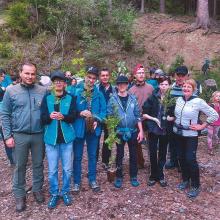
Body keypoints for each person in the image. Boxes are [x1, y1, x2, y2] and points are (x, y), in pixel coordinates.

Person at [1, 62, 46, 212]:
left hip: (39, 135)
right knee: (20, 166)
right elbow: (5, 114)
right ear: (20, 73)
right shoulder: (11, 91)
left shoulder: (42, 90)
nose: (30, 76)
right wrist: (7, 136)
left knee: (38, 164)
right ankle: (20, 195)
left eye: (33, 73)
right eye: (27, 73)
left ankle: (37, 189)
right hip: (19, 134)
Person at [173, 79, 218, 198]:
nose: (186, 88)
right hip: (178, 134)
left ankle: (195, 185)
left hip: (191, 135)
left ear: (194, 89)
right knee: (181, 158)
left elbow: (214, 115)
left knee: (190, 159)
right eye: (184, 86)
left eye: (189, 87)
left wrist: (203, 125)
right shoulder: (179, 99)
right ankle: (185, 180)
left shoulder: (198, 101)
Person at [41, 70, 76, 209]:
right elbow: (42, 119)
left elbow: (73, 116)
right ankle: (54, 193)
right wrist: (49, 117)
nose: (58, 83)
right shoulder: (47, 98)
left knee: (67, 169)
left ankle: (65, 191)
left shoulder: (70, 98)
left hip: (67, 139)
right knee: (52, 171)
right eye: (56, 81)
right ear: (53, 84)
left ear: (64, 83)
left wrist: (64, 117)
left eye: (61, 81)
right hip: (51, 140)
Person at [73, 66, 106, 193]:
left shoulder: (99, 94)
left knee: (92, 155)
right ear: (85, 76)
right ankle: (76, 181)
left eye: (94, 78)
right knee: (77, 156)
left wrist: (97, 120)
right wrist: (80, 112)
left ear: (96, 79)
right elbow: (71, 110)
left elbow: (103, 111)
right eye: (89, 77)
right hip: (79, 128)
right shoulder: (76, 91)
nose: (91, 80)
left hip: (93, 129)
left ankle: (92, 179)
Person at [107, 75, 143, 188]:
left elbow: (138, 116)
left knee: (133, 154)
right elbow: (109, 117)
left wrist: (141, 131)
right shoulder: (112, 99)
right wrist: (112, 132)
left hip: (132, 131)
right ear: (117, 86)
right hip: (119, 132)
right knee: (119, 154)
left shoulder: (133, 98)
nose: (121, 86)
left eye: (124, 83)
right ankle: (119, 176)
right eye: (119, 84)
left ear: (127, 85)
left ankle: (133, 176)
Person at [142, 77, 172, 187]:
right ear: (159, 85)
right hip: (153, 129)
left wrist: (170, 118)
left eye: (166, 84)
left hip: (165, 130)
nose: (163, 86)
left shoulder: (171, 99)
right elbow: (144, 113)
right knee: (153, 152)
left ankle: (161, 175)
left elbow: (173, 115)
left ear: (169, 86)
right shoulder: (153, 97)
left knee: (163, 152)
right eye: (162, 84)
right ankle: (153, 175)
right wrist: (155, 119)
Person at [129, 64, 154, 168]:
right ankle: (140, 162)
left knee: (151, 143)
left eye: (143, 72)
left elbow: (155, 103)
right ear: (135, 75)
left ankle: (153, 163)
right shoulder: (131, 90)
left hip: (149, 119)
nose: (141, 74)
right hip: (137, 120)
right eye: (139, 72)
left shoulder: (151, 88)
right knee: (137, 142)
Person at [96, 67, 115, 168]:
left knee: (108, 139)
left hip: (110, 118)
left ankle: (105, 160)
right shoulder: (96, 89)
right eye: (103, 75)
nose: (105, 77)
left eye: (107, 75)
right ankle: (94, 161)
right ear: (99, 77)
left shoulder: (114, 89)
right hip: (99, 117)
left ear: (109, 76)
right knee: (96, 139)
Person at [207, 91, 220, 155]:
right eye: (217, 96)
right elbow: (207, 113)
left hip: (218, 123)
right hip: (210, 123)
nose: (218, 97)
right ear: (213, 97)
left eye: (219, 96)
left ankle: (217, 142)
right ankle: (210, 150)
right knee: (210, 136)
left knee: (215, 135)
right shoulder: (211, 105)